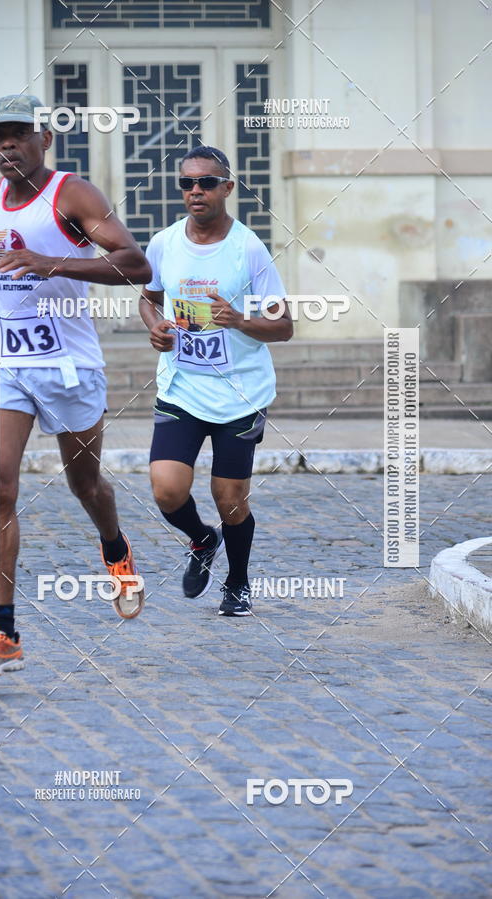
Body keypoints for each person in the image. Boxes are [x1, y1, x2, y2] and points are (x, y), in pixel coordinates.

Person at [0, 95, 151, 677]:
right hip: (9, 364)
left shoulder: (73, 195)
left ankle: (115, 548)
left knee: (86, 486)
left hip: (70, 368)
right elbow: (0, 263)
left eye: (17, 136)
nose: (6, 147)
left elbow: (135, 264)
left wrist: (51, 263)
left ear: (43, 140)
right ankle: (2, 632)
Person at [139, 146, 292, 617]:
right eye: (186, 183)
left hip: (239, 394)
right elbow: (148, 298)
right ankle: (203, 540)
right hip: (182, 387)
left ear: (227, 187)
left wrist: (241, 319)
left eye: (206, 182)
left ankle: (238, 583)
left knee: (230, 497)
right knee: (166, 489)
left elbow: (284, 325)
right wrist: (155, 326)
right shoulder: (164, 243)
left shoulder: (247, 248)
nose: (195, 191)